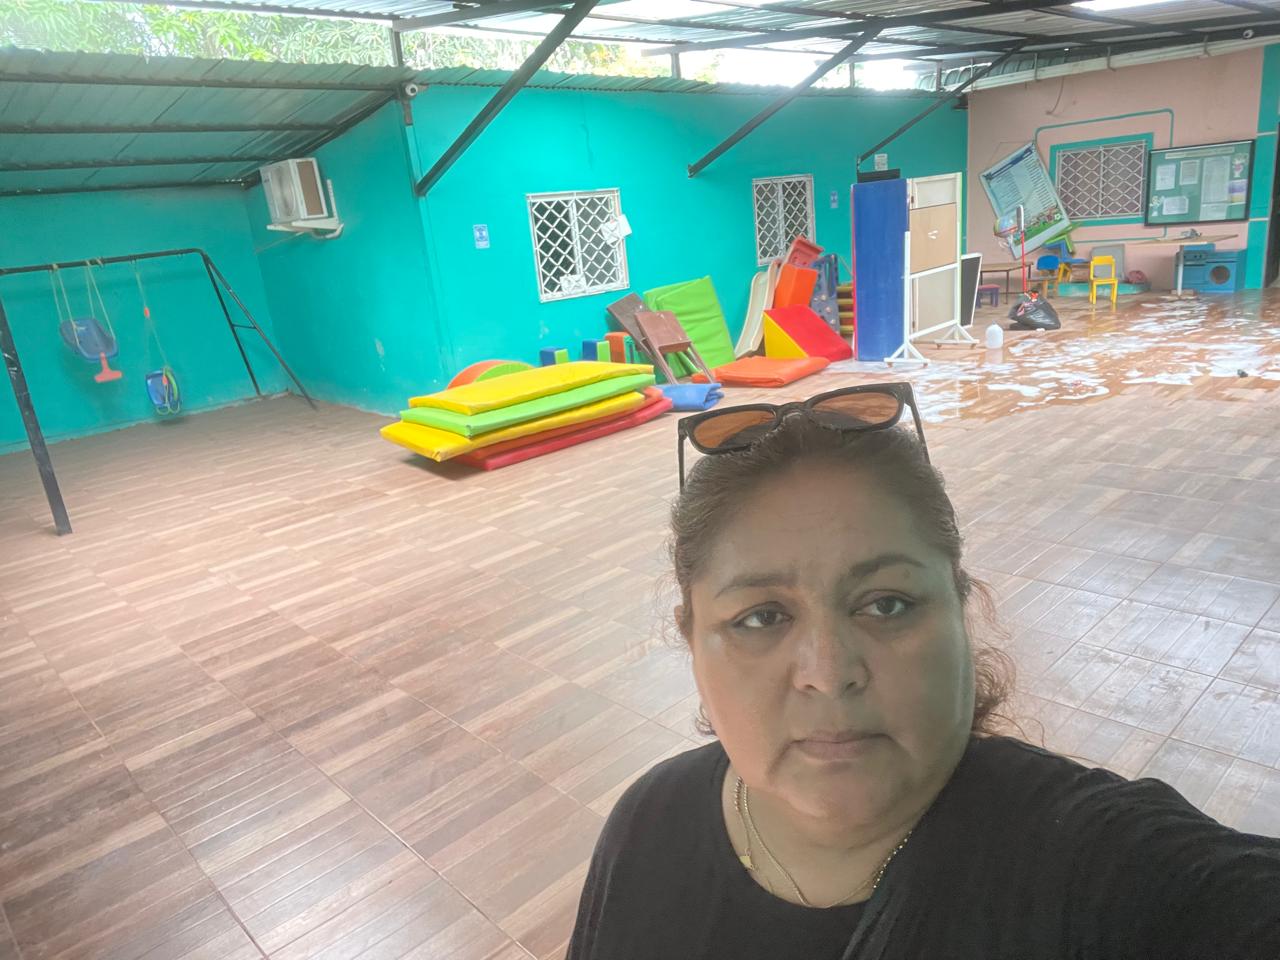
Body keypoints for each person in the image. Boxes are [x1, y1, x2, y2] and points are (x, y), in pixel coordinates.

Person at [566, 383, 1280, 960]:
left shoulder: (1096, 863)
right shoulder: (649, 824)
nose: (829, 673)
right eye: (761, 617)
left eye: (886, 604)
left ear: (960, 607)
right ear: (692, 641)